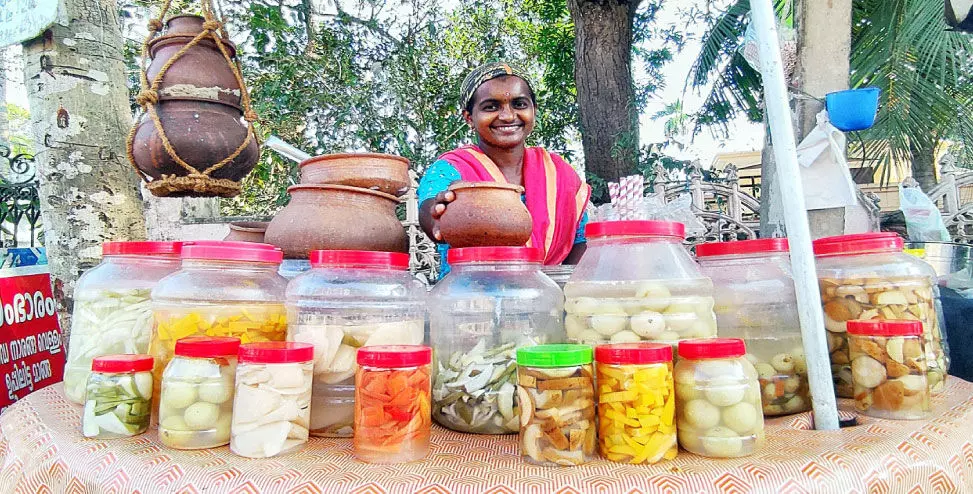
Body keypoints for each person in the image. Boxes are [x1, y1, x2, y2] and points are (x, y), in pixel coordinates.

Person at [418, 62, 591, 278]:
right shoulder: (452, 169)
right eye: (491, 106)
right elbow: (430, 210)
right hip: (469, 301)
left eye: (519, 104)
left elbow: (581, 245)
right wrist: (440, 214)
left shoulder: (559, 174)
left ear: (533, 110)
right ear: (469, 118)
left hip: (548, 302)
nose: (508, 116)